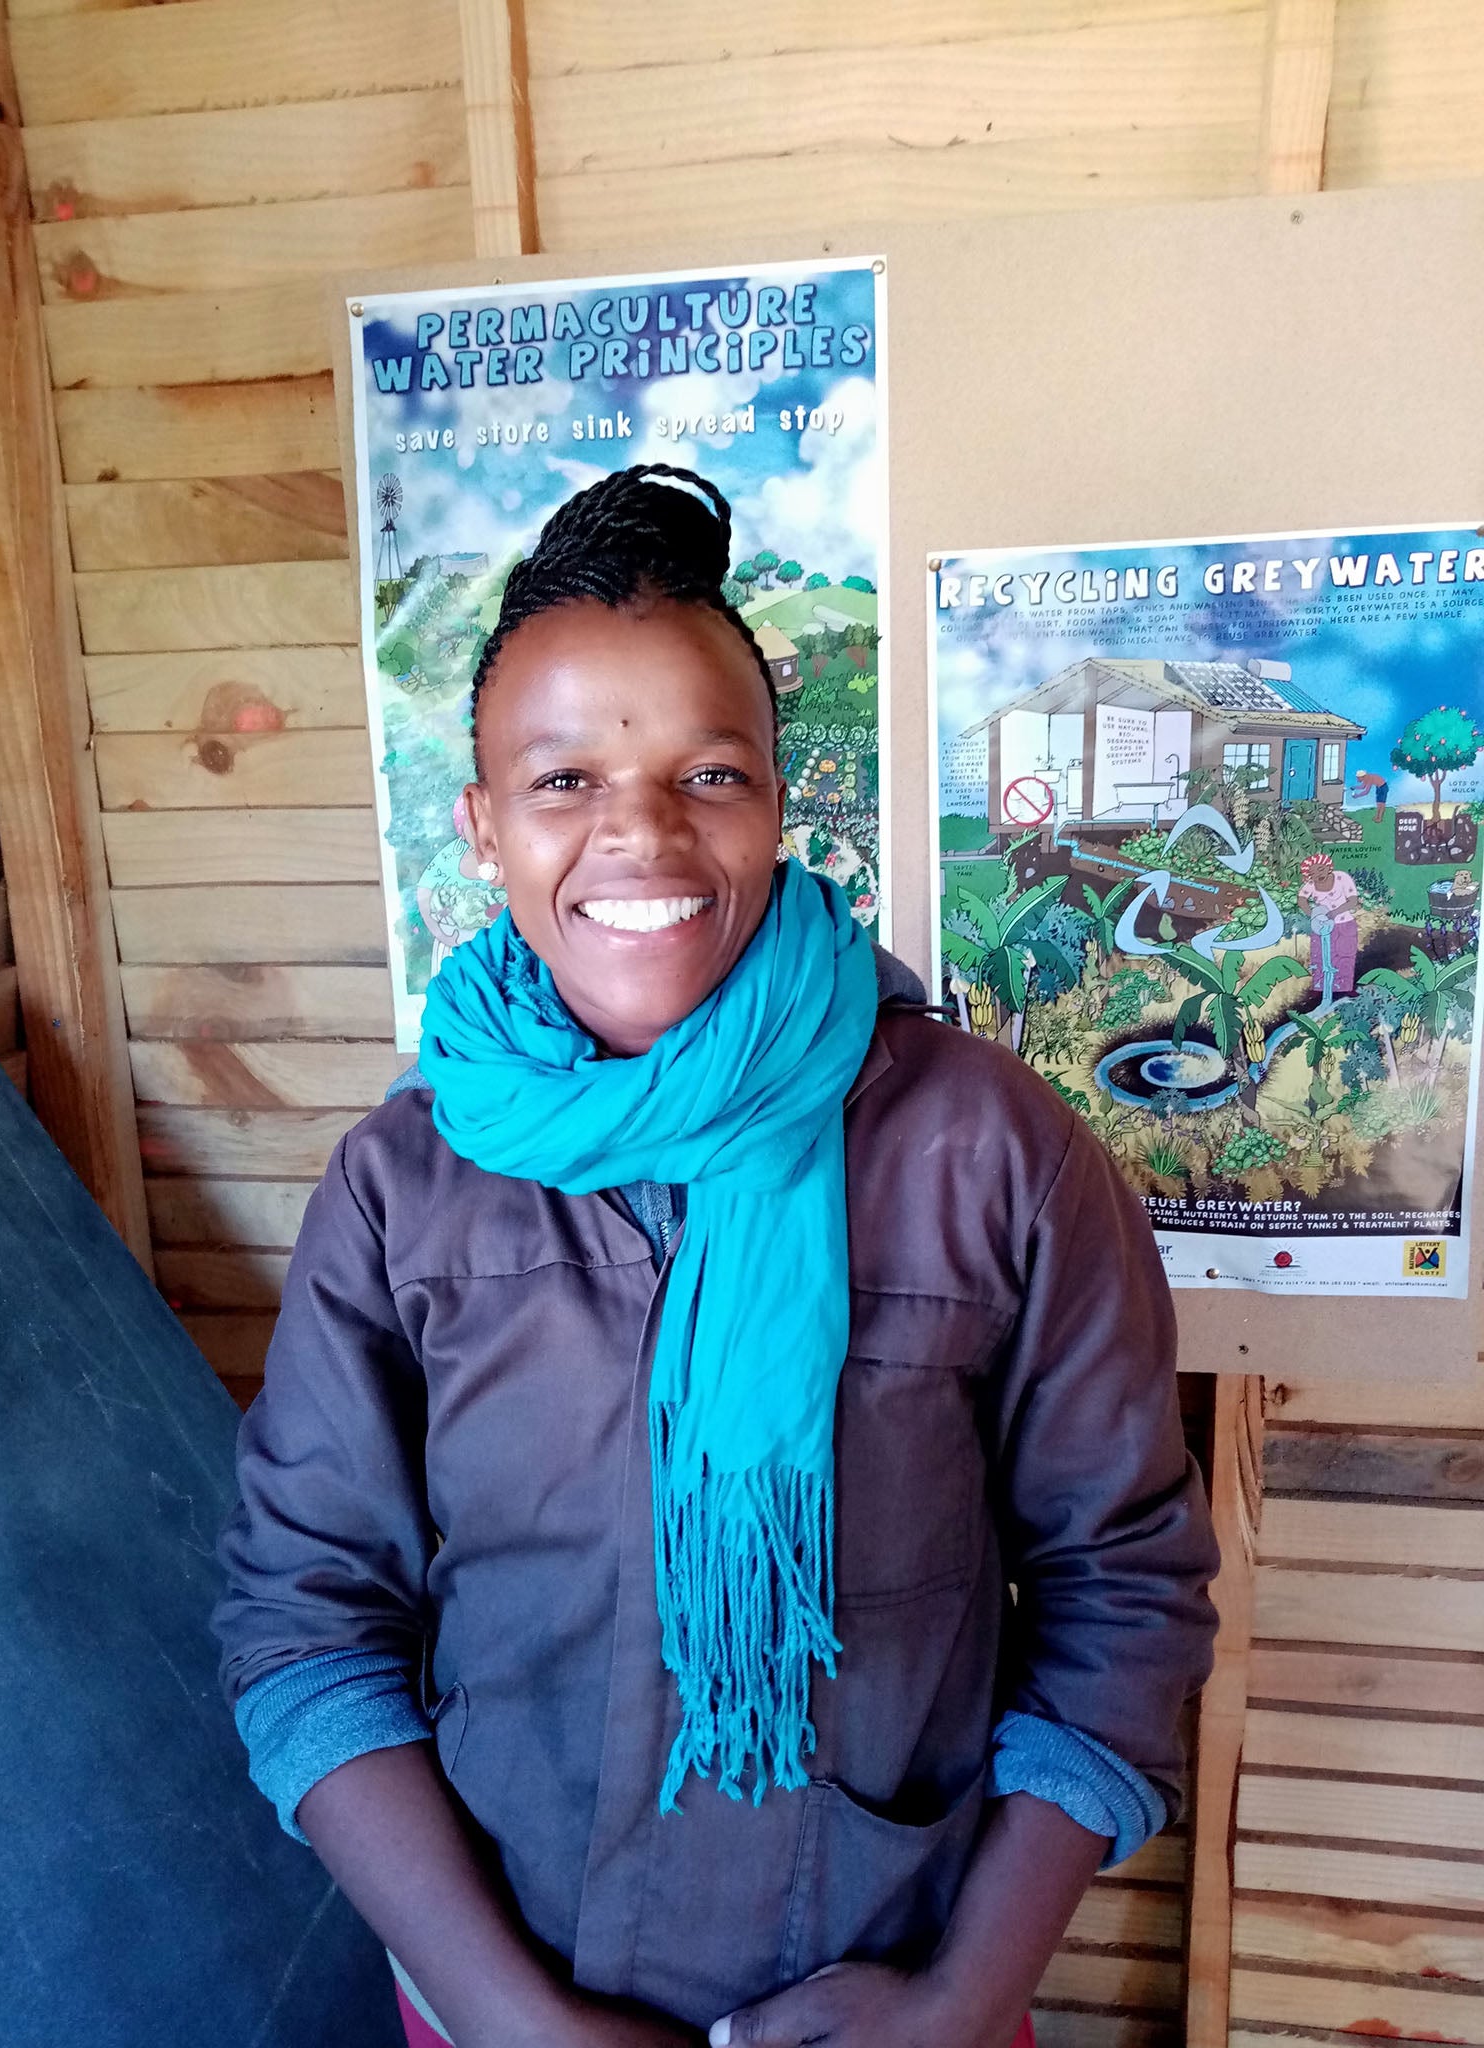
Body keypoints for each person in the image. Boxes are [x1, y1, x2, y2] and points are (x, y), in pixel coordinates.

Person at [213, 465, 1218, 2048]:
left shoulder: (988, 1148)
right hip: (498, 2000)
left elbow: (1125, 1591)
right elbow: (305, 1624)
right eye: (563, 783)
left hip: (901, 2000)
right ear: (481, 825)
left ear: (777, 800)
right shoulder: (404, 1189)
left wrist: (965, 1999)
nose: (643, 836)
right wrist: (506, 2021)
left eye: (710, 774)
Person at [1299, 851, 1360, 1006]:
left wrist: (1335, 913)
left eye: (1320, 869)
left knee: (1345, 955)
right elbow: (1301, 899)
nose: (1318, 874)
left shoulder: (1342, 878)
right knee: (1320, 956)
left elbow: (1353, 900)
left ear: (1328, 867)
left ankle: (1345, 988)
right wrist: (1312, 914)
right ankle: (1319, 990)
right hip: (1321, 926)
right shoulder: (1311, 884)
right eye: (1313, 873)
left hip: (1344, 923)